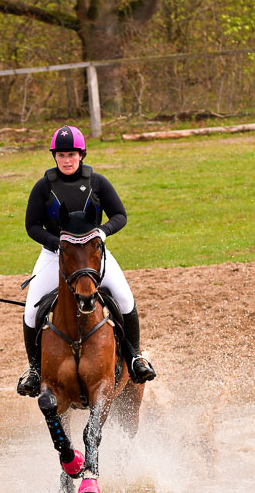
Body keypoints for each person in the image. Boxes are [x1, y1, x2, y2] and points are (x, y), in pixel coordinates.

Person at [17, 124, 156, 397]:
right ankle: (34, 370)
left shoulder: (98, 182)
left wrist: (102, 232)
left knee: (125, 299)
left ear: (81, 154)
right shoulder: (43, 187)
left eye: (71, 154)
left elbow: (120, 215)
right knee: (32, 310)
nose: (66, 160)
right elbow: (31, 226)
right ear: (54, 157)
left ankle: (134, 359)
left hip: (94, 254)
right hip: (56, 255)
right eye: (61, 155)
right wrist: (58, 244)